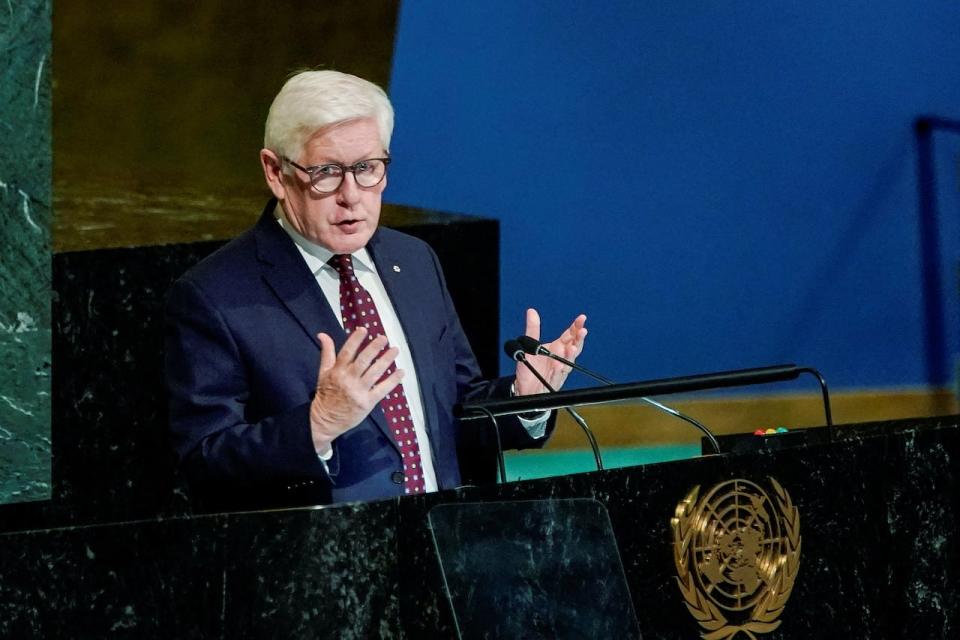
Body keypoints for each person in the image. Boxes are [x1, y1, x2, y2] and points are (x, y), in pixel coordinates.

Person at [165, 70, 587, 509]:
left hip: (441, 544)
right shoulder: (215, 295)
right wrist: (316, 424)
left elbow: (455, 410)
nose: (351, 195)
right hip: (323, 563)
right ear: (275, 172)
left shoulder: (416, 261)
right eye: (326, 172)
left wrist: (524, 400)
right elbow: (203, 462)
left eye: (366, 168)